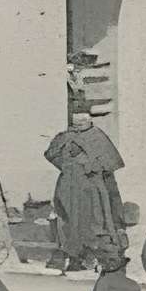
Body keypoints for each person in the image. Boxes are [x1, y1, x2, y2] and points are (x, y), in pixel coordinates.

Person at [45, 109, 127, 271]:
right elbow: (51, 155)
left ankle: (91, 257)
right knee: (73, 221)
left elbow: (108, 165)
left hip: (88, 188)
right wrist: (70, 166)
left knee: (92, 222)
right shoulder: (67, 137)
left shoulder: (94, 136)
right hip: (74, 188)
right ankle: (76, 257)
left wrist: (84, 166)